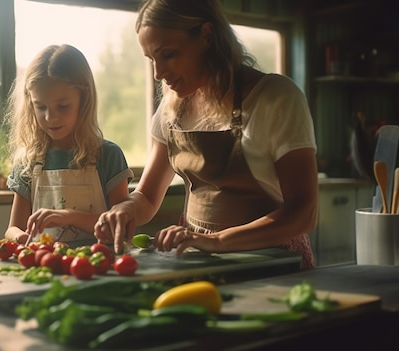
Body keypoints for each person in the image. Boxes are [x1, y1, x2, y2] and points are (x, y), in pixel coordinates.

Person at [94, 0, 318, 269]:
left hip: (271, 260)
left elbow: (304, 213)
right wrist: (126, 208)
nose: (158, 73)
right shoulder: (171, 107)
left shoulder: (275, 97)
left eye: (168, 54)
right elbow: (148, 197)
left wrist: (218, 241)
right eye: (152, 59)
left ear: (207, 36)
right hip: (196, 255)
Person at [3, 44, 134, 248]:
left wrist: (69, 217)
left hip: (98, 266)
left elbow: (120, 228)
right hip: (43, 266)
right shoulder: (28, 162)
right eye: (41, 107)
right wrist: (21, 238)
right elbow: (12, 229)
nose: (50, 117)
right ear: (31, 104)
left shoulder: (108, 155)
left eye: (62, 106)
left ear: (84, 100)